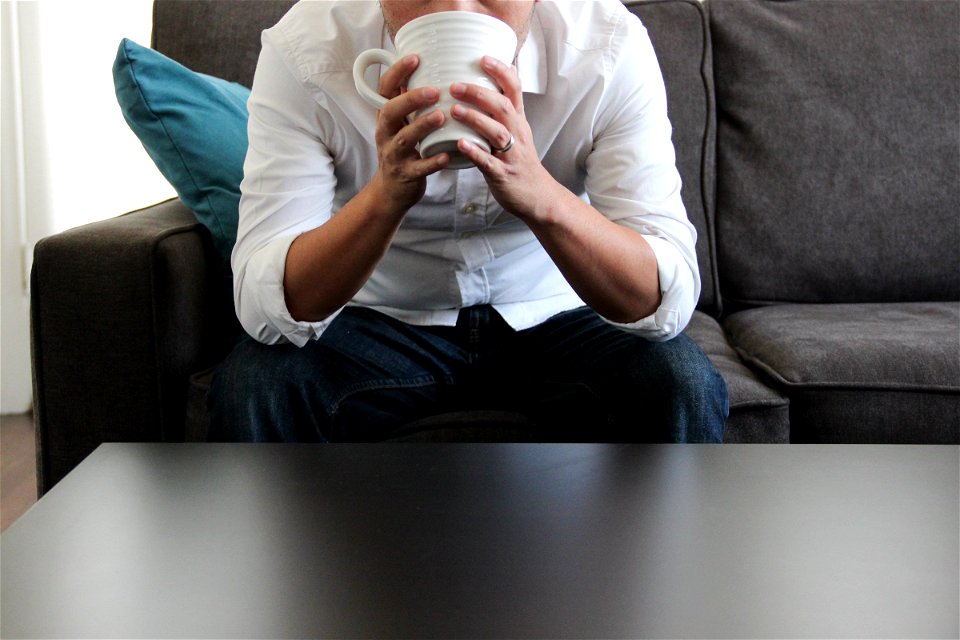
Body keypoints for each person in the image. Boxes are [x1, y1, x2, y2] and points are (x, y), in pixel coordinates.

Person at [208, 0, 729, 442]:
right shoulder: (305, 48)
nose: (455, 8)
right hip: (382, 316)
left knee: (680, 380)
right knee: (253, 385)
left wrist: (539, 193)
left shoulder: (606, 44)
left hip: (556, 310)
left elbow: (667, 296)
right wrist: (386, 195)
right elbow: (262, 306)